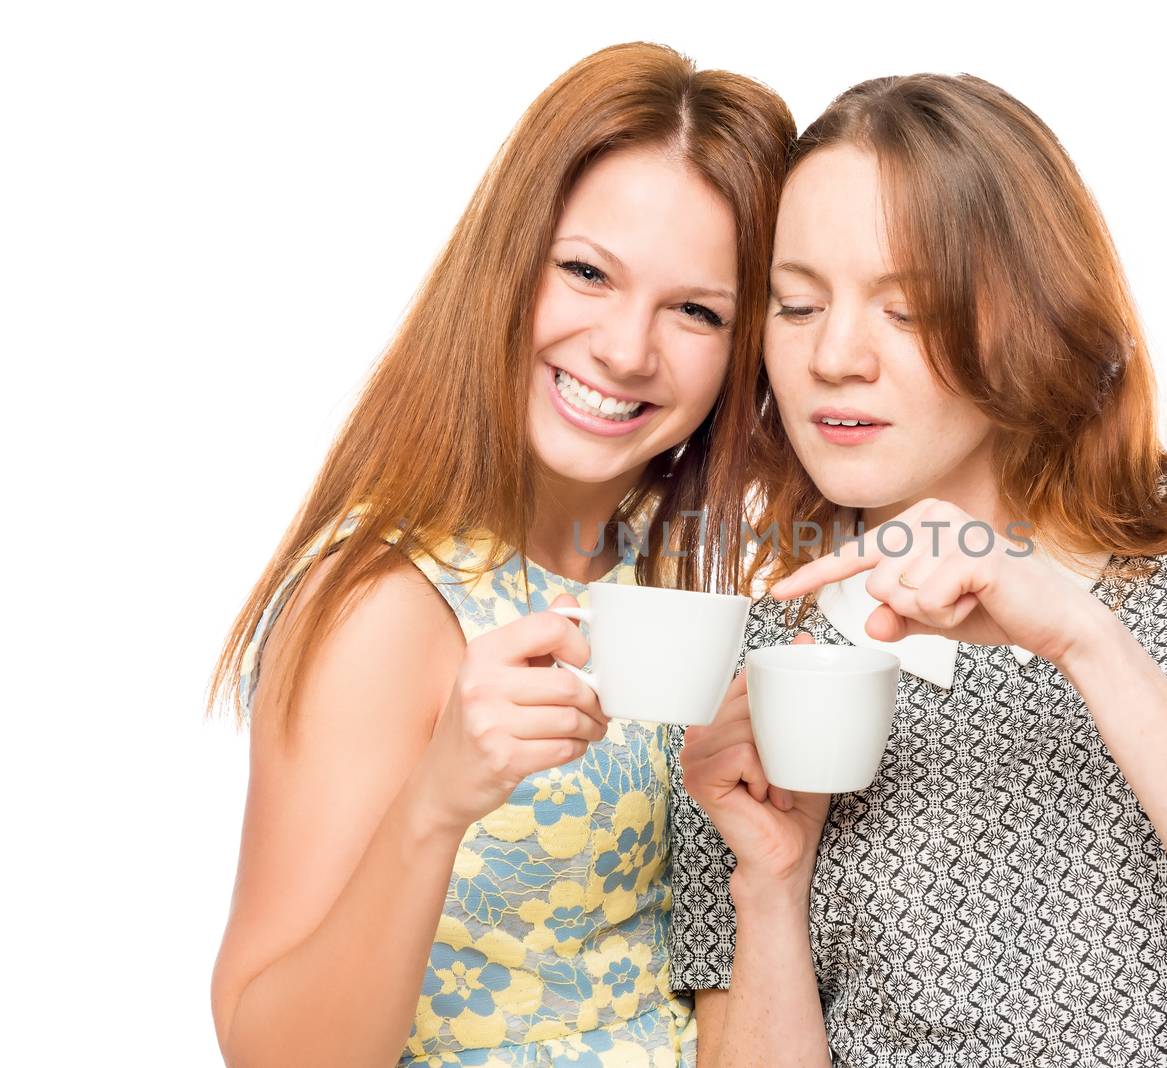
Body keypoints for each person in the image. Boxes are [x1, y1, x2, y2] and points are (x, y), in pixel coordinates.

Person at [671, 73, 1167, 1066]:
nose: (834, 356)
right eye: (796, 305)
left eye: (906, 310)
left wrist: (1083, 639)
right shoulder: (767, 656)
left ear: (1030, 311)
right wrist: (768, 883)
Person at [208, 43, 792, 1067]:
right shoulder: (385, 605)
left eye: (696, 310)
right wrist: (436, 803)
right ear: (507, 264)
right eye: (586, 272)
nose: (625, 349)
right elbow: (269, 1051)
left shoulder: (680, 561)